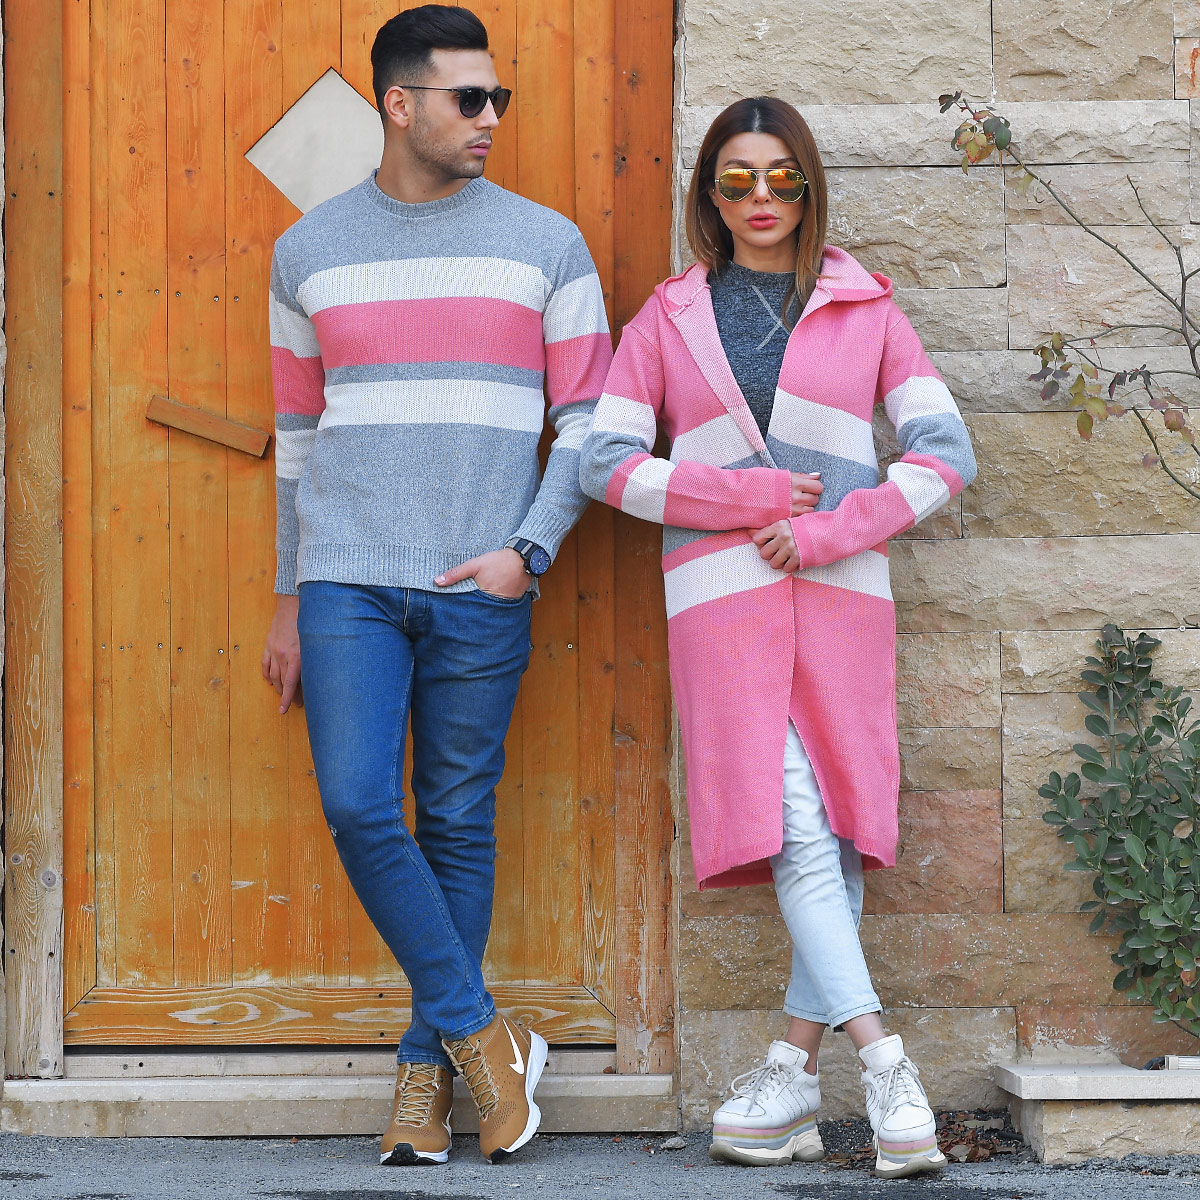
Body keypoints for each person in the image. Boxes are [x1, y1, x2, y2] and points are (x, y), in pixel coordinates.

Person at [580, 96, 976, 1179]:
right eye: (737, 179)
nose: (761, 197)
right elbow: (604, 464)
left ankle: (787, 1083)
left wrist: (832, 527)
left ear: (808, 187)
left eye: (782, 177)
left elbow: (945, 454)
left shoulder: (868, 309)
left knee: (833, 833)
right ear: (709, 195)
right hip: (723, 607)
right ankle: (889, 1072)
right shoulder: (667, 320)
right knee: (799, 826)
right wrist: (743, 496)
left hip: (842, 599)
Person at [261, 5, 611, 1167]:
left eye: (498, 96)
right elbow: (297, 438)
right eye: (470, 97)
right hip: (348, 579)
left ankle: (426, 1073)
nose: (491, 116)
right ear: (400, 104)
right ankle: (483, 1035)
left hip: (483, 581)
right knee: (360, 805)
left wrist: (529, 552)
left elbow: (589, 427)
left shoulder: (547, 244)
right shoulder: (308, 250)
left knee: (457, 821)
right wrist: (288, 595)